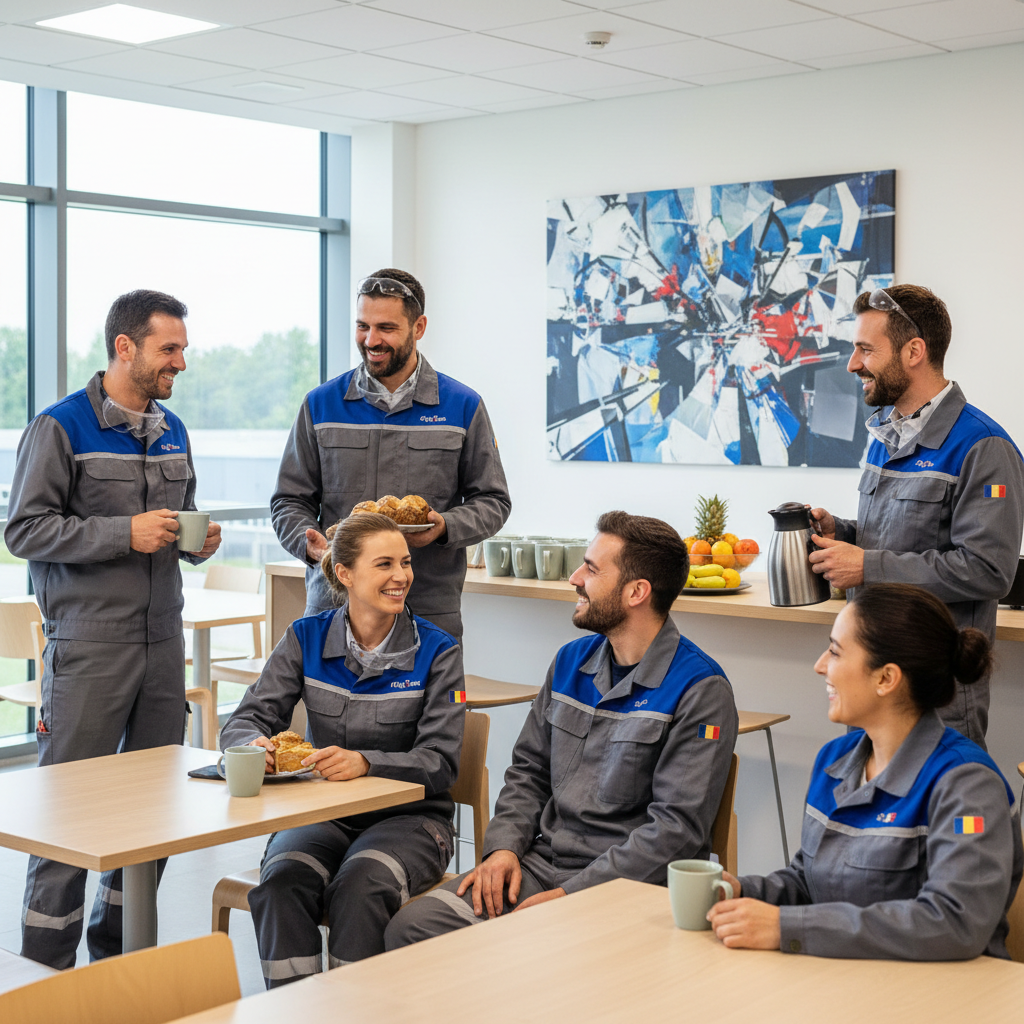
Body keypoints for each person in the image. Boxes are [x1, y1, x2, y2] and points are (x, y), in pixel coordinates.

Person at [384, 511, 738, 947]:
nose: (574, 578)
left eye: (590, 569)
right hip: (537, 865)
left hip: (626, 892)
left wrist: (572, 896)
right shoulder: (570, 662)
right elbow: (528, 772)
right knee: (413, 929)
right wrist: (503, 850)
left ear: (636, 592)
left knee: (528, 954)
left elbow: (674, 832)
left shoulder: (701, 690)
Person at [4, 289, 221, 968]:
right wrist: (121, 532)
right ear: (124, 346)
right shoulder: (59, 427)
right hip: (90, 642)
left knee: (154, 809)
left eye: (182, 349)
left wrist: (195, 542)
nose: (180, 362)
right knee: (69, 807)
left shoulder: (174, 430)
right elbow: (23, 529)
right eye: (169, 348)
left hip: (163, 642)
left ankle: (121, 958)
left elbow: (177, 521)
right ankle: (46, 967)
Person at [708, 583, 1023, 960]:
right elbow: (809, 882)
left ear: (886, 678)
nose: (820, 665)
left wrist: (785, 928)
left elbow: (956, 924)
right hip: (846, 984)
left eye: (835, 652)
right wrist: (743, 893)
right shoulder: (833, 761)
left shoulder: (968, 786)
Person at [219, 512, 465, 988]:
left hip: (411, 821)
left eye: (406, 563)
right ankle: (293, 1007)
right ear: (345, 574)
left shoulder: (440, 651)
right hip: (323, 815)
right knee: (279, 886)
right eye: (385, 564)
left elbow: (441, 759)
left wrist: (368, 763)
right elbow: (247, 717)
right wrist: (253, 745)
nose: (402, 577)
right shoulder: (304, 637)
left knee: (359, 888)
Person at [809, 284, 1024, 746]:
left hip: (935, 690)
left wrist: (865, 566)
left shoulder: (984, 448)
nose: (852, 364)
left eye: (866, 350)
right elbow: (897, 536)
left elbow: (989, 571)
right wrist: (841, 533)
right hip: (868, 675)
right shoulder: (884, 436)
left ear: (913, 351)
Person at [271, 269, 511, 637]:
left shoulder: (463, 406)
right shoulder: (321, 405)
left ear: (418, 327)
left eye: (386, 327)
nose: (371, 340)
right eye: (362, 326)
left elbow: (493, 500)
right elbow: (289, 500)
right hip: (335, 609)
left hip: (428, 611)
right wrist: (314, 548)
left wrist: (444, 527)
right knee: (328, 697)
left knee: (450, 699)